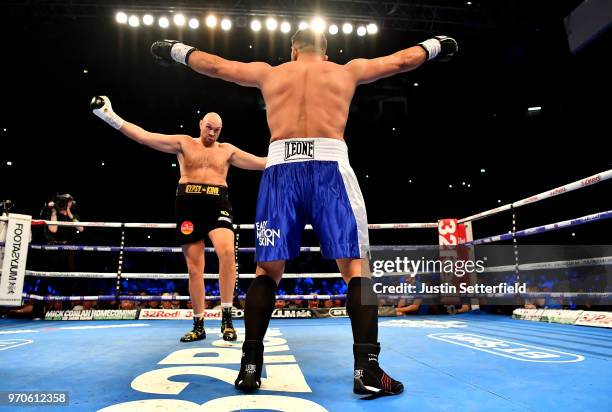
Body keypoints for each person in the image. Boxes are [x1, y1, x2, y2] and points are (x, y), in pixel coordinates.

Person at [151, 29, 457, 396]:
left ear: (293, 51)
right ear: (325, 53)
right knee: (356, 269)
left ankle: (250, 367)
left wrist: (175, 51)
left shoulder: (271, 73)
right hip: (331, 169)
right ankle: (368, 371)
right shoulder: (346, 71)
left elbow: (216, 66)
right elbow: (403, 60)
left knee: (267, 271)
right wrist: (437, 45)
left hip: (281, 170)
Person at [91, 97, 267, 342]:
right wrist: (111, 117)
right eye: (209, 128)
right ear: (200, 124)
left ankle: (227, 317)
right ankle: (198, 324)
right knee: (195, 269)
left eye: (217, 130)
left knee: (227, 252)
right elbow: (144, 136)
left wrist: (295, 156)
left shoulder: (228, 151)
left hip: (218, 203)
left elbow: (262, 163)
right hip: (188, 204)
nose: (213, 133)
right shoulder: (184, 143)